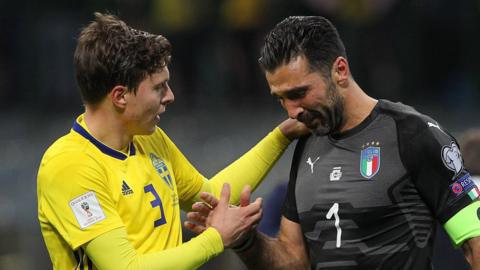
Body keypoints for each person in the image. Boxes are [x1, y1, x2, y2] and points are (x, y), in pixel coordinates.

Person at [185, 16, 480, 269]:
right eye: (281, 99)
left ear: (339, 70)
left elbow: (475, 242)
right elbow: (293, 260)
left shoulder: (413, 134)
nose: (291, 111)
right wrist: (245, 239)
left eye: (299, 93)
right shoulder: (308, 144)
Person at [36, 13, 307, 270]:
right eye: (158, 87)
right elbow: (125, 266)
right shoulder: (69, 166)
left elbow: (211, 193)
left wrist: (281, 137)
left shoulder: (149, 140)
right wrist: (216, 238)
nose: (170, 96)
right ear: (120, 96)